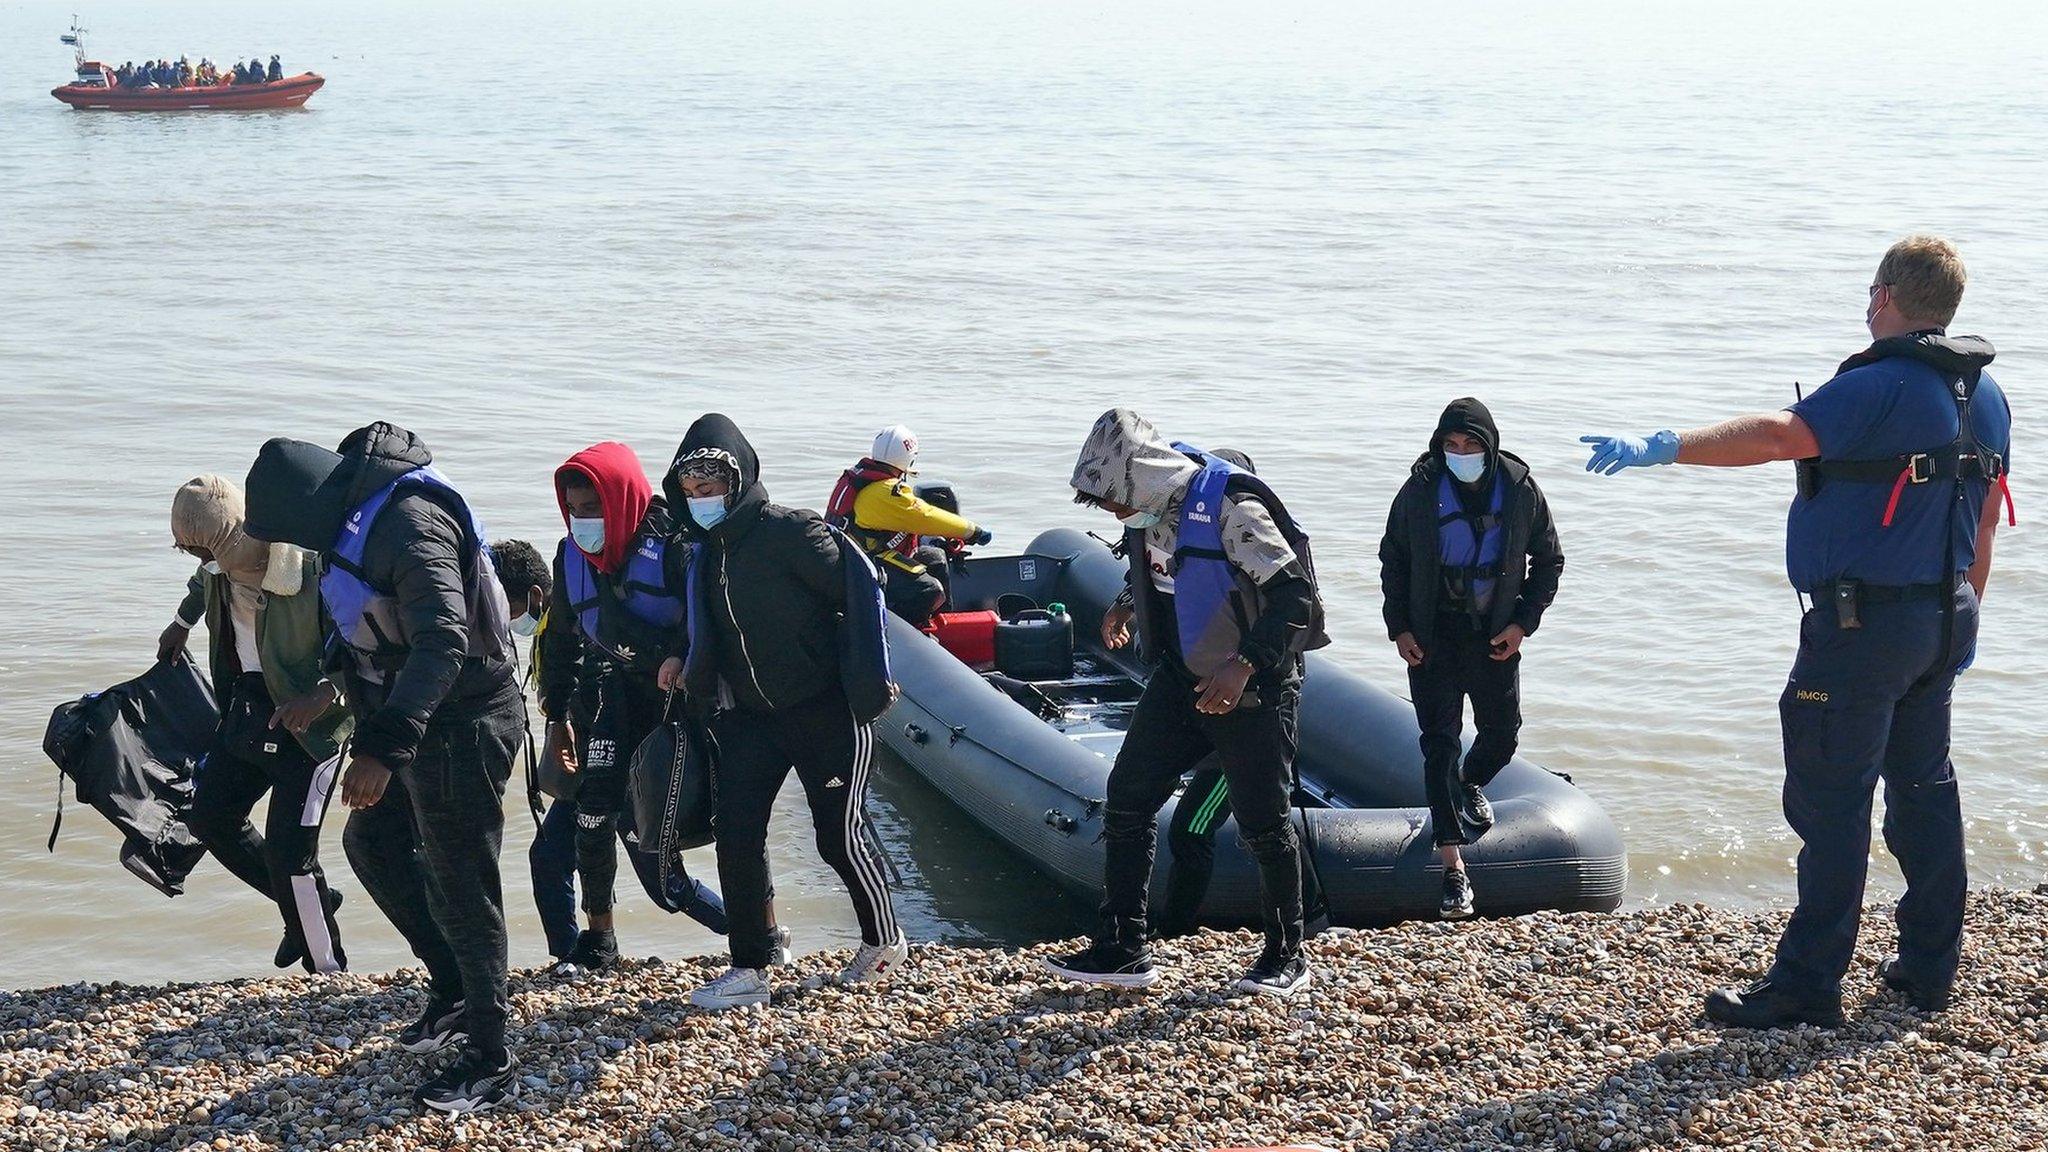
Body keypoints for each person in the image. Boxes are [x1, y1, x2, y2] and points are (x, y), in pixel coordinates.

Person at [1580, 234, 2012, 1028]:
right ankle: (1927, 971)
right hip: (1943, 616)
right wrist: (1964, 616)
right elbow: (1985, 518)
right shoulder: (1983, 396)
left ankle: (1808, 986)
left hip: (1861, 630)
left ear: (1884, 295)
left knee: (1830, 802)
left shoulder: (1881, 385)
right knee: (1923, 790)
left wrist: (1665, 446)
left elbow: (1780, 436)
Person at [243, 423, 526, 1113]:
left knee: (463, 876)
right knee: (370, 843)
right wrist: (331, 688)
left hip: (464, 717)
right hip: (408, 710)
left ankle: (491, 1057)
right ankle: (454, 989)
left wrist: (380, 750)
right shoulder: (351, 517)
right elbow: (367, 625)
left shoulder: (407, 523)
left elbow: (443, 642)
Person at [1046, 409, 1328, 997]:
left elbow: (1293, 596)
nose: (1116, 514)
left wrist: (1242, 664)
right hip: (1179, 679)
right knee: (1127, 799)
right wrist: (1128, 602)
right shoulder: (1150, 512)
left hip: (1253, 689)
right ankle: (1123, 946)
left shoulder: (1231, 511)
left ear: (1141, 479)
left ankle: (1286, 953)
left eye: (1115, 502)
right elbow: (1164, 569)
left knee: (1264, 825)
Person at [656, 414, 905, 1011]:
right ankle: (750, 965)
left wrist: (866, 678)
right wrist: (680, 657)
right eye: (690, 492)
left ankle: (884, 940)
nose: (701, 500)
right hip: (748, 717)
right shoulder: (702, 551)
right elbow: (705, 622)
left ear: (738, 482)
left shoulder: (792, 533)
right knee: (736, 835)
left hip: (823, 711)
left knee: (836, 838)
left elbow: (860, 594)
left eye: (711, 487)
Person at [532, 444, 728, 974]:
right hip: (611, 701)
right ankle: (601, 942)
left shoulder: (675, 545)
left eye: (593, 508)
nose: (583, 521)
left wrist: (681, 656)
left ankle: (756, 929)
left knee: (687, 848)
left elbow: (710, 622)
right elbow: (562, 642)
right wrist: (557, 715)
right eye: (573, 509)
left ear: (621, 500)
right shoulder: (570, 554)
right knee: (592, 820)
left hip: (678, 706)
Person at [157, 475, 354, 973]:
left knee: (292, 853)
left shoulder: (308, 568)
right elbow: (201, 584)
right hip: (249, 710)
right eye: (189, 552)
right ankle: (310, 905)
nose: (201, 564)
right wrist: (181, 623)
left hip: (314, 726)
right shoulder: (218, 568)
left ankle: (327, 970)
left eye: (201, 550)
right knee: (209, 818)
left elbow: (362, 645)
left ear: (228, 536)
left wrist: (323, 694)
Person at [1379, 399, 1564, 919]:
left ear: (1490, 446)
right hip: (1432, 637)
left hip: (1493, 635)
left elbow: (1549, 561)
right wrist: (1401, 628)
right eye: (1451, 445)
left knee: (1502, 733)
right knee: (1438, 744)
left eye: (1471, 446)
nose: (1460, 454)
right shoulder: (1418, 490)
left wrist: (1521, 623)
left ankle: (1469, 785)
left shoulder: (1521, 489)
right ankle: (1454, 870)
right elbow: (1392, 560)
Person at [1148, 449, 1329, 942]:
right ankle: (1309, 918)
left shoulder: (1255, 557)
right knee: (1260, 824)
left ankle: (1178, 930)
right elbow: (1166, 582)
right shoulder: (1199, 555)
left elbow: (1292, 607)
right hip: (1201, 707)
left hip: (1249, 713)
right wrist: (1126, 605)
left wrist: (1243, 667)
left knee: (1198, 827)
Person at [824, 425, 992, 628]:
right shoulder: (886, 492)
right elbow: (925, 516)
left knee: (934, 558)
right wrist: (972, 531)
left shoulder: (860, 480)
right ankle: (902, 634)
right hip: (861, 567)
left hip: (852, 559)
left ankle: (939, 625)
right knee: (929, 591)